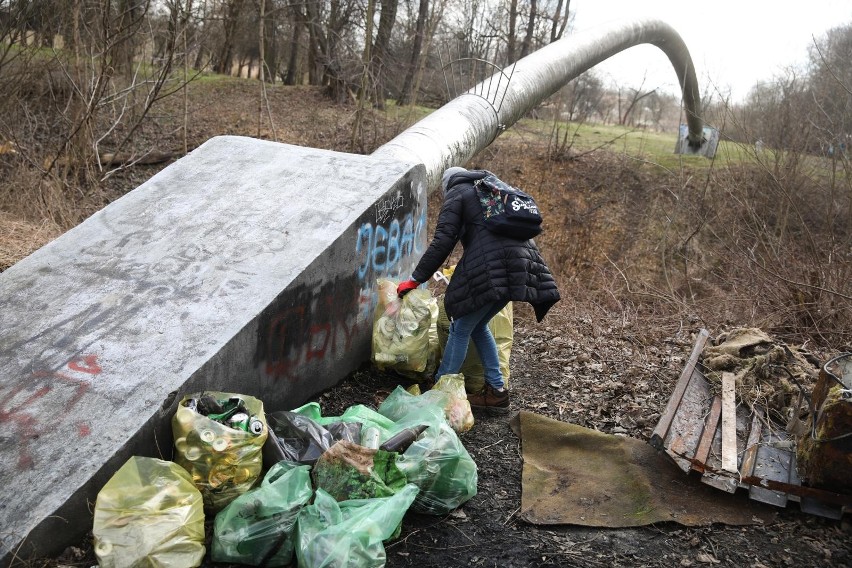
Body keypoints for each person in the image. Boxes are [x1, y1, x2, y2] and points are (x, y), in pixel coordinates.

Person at [397, 166, 560, 411]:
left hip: (495, 267)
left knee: (460, 327)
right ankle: (497, 391)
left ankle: (440, 390)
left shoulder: (457, 192)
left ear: (446, 185)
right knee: (477, 325)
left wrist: (415, 278)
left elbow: (443, 239)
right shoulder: (491, 189)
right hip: (521, 268)